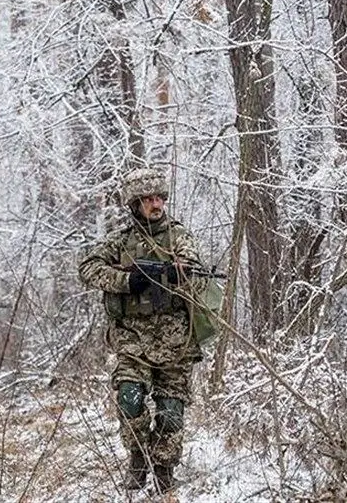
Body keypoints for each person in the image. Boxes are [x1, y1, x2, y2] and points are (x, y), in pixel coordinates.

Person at [78, 168, 206, 492]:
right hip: (131, 339)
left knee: (171, 411)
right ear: (135, 204)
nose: (156, 204)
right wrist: (125, 281)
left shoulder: (179, 237)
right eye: (148, 199)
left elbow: (196, 269)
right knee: (130, 398)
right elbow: (88, 267)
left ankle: (163, 469)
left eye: (159, 198)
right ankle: (137, 456)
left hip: (175, 340)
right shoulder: (120, 241)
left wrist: (181, 274)